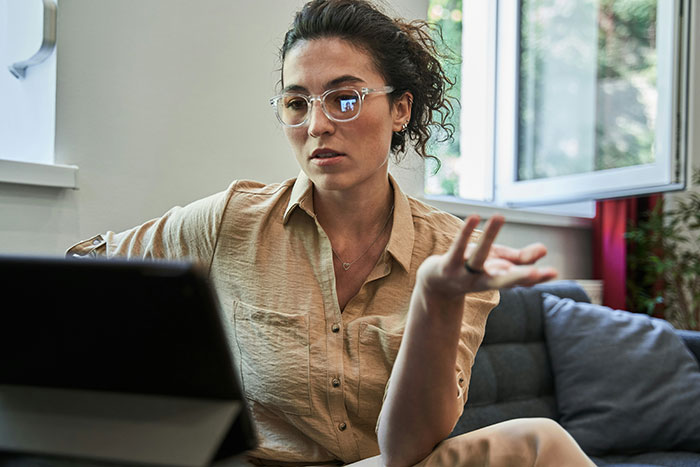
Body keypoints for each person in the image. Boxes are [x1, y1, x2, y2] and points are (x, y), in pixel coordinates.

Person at [68, 0, 594, 465]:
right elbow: (85, 272)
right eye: (297, 103)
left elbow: (407, 450)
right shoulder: (232, 219)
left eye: (343, 99)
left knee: (538, 443)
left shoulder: (454, 257)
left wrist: (435, 294)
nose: (316, 124)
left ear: (400, 109)